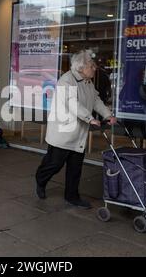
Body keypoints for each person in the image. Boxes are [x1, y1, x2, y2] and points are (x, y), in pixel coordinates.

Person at [35, 49, 117, 209]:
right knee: (54, 164)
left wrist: (107, 114)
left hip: (79, 132)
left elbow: (96, 100)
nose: (95, 68)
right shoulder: (67, 80)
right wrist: (90, 118)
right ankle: (40, 179)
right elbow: (72, 103)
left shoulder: (87, 81)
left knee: (75, 167)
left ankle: (72, 196)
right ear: (81, 67)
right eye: (92, 65)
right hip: (63, 132)